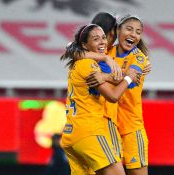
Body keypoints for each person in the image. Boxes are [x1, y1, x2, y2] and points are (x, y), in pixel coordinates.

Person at [60, 24, 140, 175]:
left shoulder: (79, 63)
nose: (103, 42)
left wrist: (116, 73)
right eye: (96, 39)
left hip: (72, 134)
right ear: (84, 45)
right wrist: (128, 77)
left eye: (103, 37)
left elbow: (110, 78)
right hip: (89, 132)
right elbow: (113, 96)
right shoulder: (88, 64)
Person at [87, 14, 150, 175]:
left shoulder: (139, 58)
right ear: (118, 30)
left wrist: (104, 76)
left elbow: (131, 78)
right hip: (109, 123)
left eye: (138, 32)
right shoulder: (107, 51)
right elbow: (77, 51)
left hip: (131, 125)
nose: (133, 34)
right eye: (129, 29)